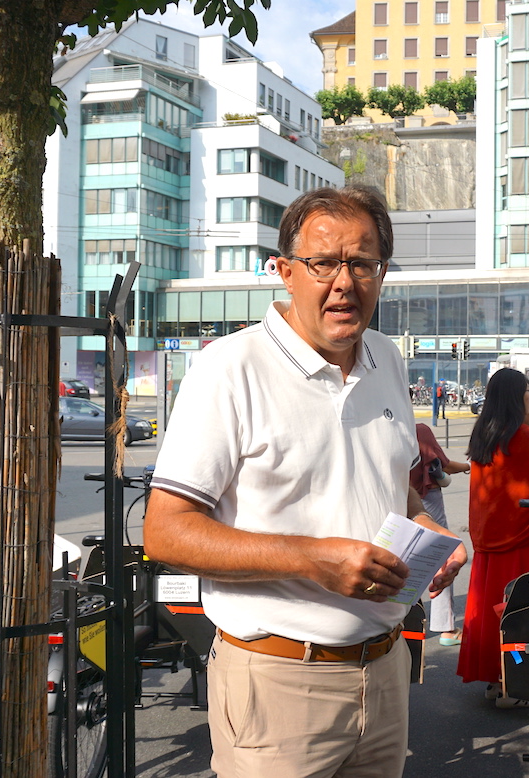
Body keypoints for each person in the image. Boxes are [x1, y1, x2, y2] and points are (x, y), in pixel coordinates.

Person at [143, 186, 467, 778]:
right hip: (277, 683)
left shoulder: (387, 360)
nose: (344, 281)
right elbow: (166, 534)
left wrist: (420, 523)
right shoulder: (228, 368)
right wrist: (312, 559)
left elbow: (389, 479)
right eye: (323, 263)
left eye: (362, 263)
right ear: (287, 272)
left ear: (382, 273)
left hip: (387, 670)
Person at [457, 368, 529, 707]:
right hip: (521, 539)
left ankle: (494, 678)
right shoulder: (524, 436)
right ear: (518, 397)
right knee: (520, 610)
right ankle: (513, 681)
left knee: (490, 611)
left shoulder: (483, 433)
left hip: (489, 540)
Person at [410, 421, 471, 646]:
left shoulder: (379, 427)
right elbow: (443, 465)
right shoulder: (419, 430)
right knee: (443, 559)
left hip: (394, 500)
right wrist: (467, 466)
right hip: (426, 500)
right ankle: (445, 628)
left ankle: (408, 632)